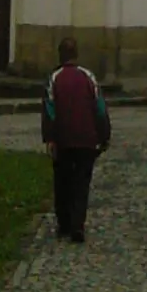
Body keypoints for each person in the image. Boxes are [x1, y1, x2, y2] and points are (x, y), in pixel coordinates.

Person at [40, 35, 111, 243]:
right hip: (86, 139)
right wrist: (104, 134)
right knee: (81, 182)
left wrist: (50, 138)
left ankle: (64, 223)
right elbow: (99, 108)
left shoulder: (55, 78)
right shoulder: (89, 76)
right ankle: (78, 225)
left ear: (60, 55)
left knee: (62, 181)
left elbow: (49, 110)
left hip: (63, 138)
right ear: (76, 55)